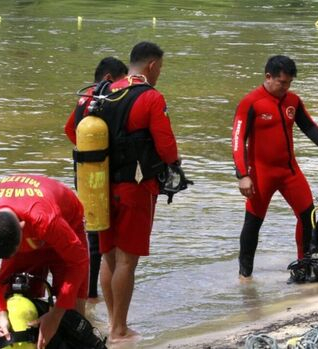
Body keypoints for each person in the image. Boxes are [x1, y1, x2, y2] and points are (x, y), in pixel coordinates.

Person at [232, 55, 318, 280]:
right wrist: (243, 175)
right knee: (253, 223)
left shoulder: (292, 100)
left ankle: (305, 264)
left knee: (308, 215)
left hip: (289, 172)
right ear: (268, 77)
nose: (285, 88)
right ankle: (245, 276)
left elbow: (309, 127)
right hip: (261, 174)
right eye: (282, 83)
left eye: (289, 83)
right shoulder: (251, 102)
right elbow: (237, 140)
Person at [98, 41, 179, 343]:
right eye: (161, 69)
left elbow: (72, 129)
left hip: (99, 187)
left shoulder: (102, 93)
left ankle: (110, 322)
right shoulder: (150, 97)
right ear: (152, 66)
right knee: (126, 261)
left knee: (107, 256)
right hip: (134, 189)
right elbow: (167, 147)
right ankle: (120, 329)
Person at [0, 174, 89, 348]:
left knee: (73, 318)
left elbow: (79, 261)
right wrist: (0, 313)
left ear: (22, 228)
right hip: (25, 230)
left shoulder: (45, 220)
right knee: (13, 304)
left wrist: (56, 315)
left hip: (66, 224)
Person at [64, 56, 127, 303]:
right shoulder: (106, 99)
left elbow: (70, 129)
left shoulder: (84, 98)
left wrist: (87, 155)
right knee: (100, 236)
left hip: (84, 172)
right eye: (121, 82)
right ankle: (92, 293)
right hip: (102, 173)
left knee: (90, 229)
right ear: (109, 79)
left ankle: (89, 292)